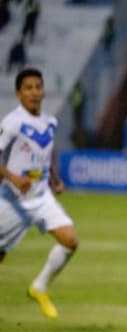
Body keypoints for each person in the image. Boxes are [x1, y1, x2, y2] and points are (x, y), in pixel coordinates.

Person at [0, 67, 79, 319]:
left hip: (42, 196)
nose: (35, 92)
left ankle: (39, 287)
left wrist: (55, 179)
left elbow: (46, 156)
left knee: (70, 240)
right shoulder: (12, 123)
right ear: (19, 93)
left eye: (38, 87)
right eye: (29, 88)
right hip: (13, 200)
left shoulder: (50, 121)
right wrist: (13, 178)